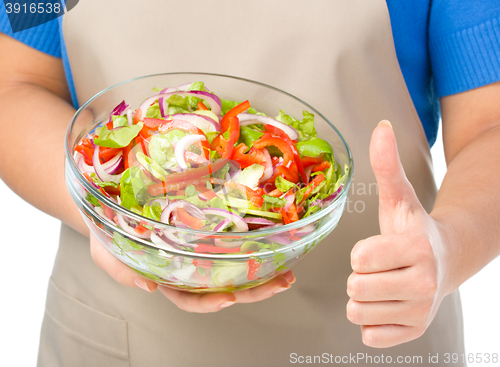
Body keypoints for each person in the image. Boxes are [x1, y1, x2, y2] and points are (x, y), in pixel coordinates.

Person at [1, 0, 500, 365]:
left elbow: (489, 126)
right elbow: (15, 81)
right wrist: (108, 219)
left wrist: (448, 246)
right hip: (118, 338)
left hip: (367, 340)